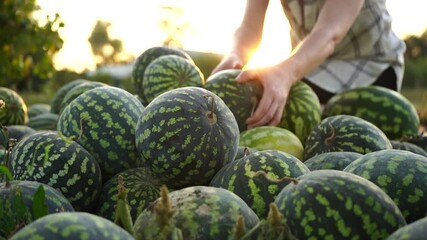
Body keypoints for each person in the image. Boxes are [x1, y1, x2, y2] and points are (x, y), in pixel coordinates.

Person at [211, 0, 406, 129]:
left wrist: (285, 73)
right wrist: (236, 53)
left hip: (370, 65)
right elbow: (249, 27)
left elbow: (330, 33)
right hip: (308, 63)